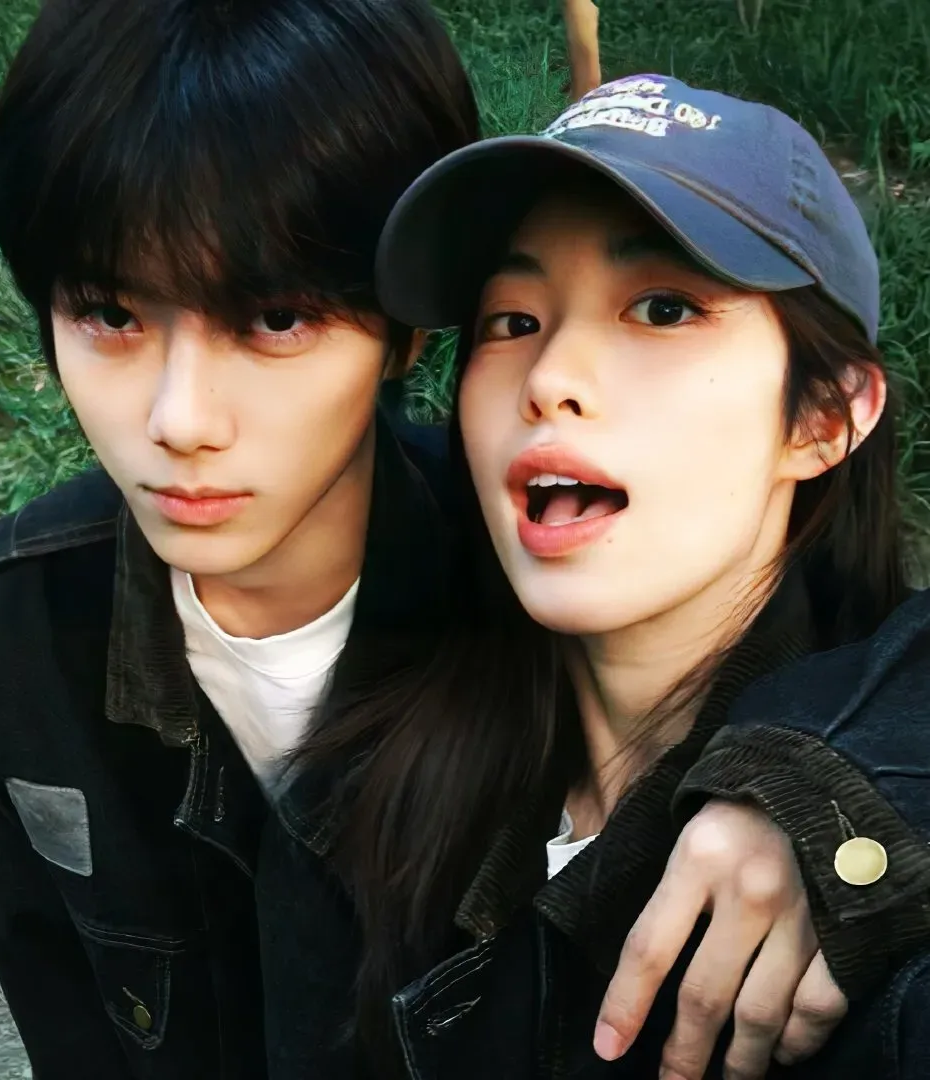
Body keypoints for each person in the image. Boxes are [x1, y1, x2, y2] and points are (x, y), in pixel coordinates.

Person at [0, 2, 922, 1075]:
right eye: (110, 313)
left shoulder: (533, 590)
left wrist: (835, 798)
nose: (180, 421)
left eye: (276, 317)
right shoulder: (381, 771)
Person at [276, 74, 930, 1078]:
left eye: (663, 309)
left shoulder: (882, 926)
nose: (549, 380)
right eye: (511, 321)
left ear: (824, 417)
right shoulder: (364, 794)